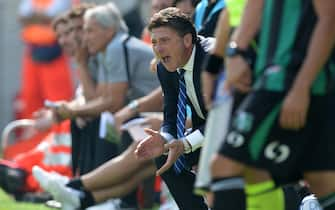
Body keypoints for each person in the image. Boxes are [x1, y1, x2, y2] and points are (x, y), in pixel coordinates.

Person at [209, 0, 335, 210]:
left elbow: (329, 18)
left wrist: (301, 88)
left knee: (225, 165)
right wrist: (235, 52)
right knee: (321, 180)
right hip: (272, 79)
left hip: (290, 81)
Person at [135, 7, 214, 210]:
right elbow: (170, 115)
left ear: (187, 40)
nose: (158, 49)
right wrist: (165, 138)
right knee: (164, 155)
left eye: (164, 41)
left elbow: (224, 118)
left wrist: (186, 143)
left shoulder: (213, 58)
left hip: (235, 131)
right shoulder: (165, 66)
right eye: (154, 42)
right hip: (208, 133)